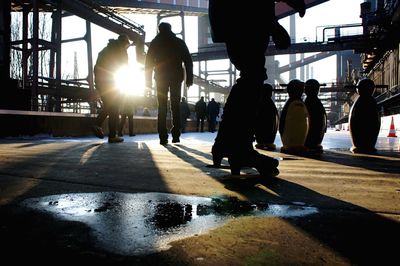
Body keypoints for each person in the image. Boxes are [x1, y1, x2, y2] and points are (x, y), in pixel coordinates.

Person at [208, 0, 306, 175]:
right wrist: (273, 26)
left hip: (234, 23)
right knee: (252, 78)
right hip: (246, 24)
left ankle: (225, 144)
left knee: (249, 78)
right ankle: (240, 150)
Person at [145, 22, 193, 145]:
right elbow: (188, 60)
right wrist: (189, 79)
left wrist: (148, 81)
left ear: (159, 30)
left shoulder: (155, 42)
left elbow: (148, 63)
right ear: (171, 29)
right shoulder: (178, 41)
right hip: (176, 77)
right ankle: (176, 134)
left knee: (162, 107)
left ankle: (162, 136)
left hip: (160, 77)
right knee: (175, 105)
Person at [92, 34, 130, 143]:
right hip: (112, 83)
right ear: (125, 43)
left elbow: (96, 67)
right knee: (114, 107)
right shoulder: (122, 51)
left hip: (100, 82)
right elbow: (124, 69)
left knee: (110, 106)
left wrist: (97, 82)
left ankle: (108, 132)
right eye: (127, 46)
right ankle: (104, 129)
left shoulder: (106, 49)